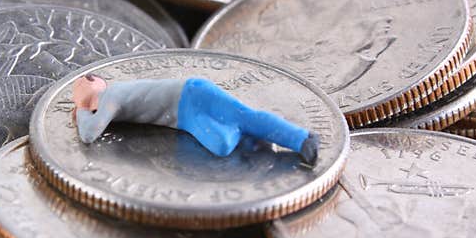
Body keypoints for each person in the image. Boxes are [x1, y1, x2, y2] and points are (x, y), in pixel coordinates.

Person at [72, 74, 320, 164]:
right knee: (242, 121)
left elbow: (89, 133)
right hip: (192, 89)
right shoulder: (117, 95)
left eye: (78, 90)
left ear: (92, 85)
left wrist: (81, 109)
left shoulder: (110, 97)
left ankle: (300, 138)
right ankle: (296, 138)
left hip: (186, 105)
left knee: (224, 141)